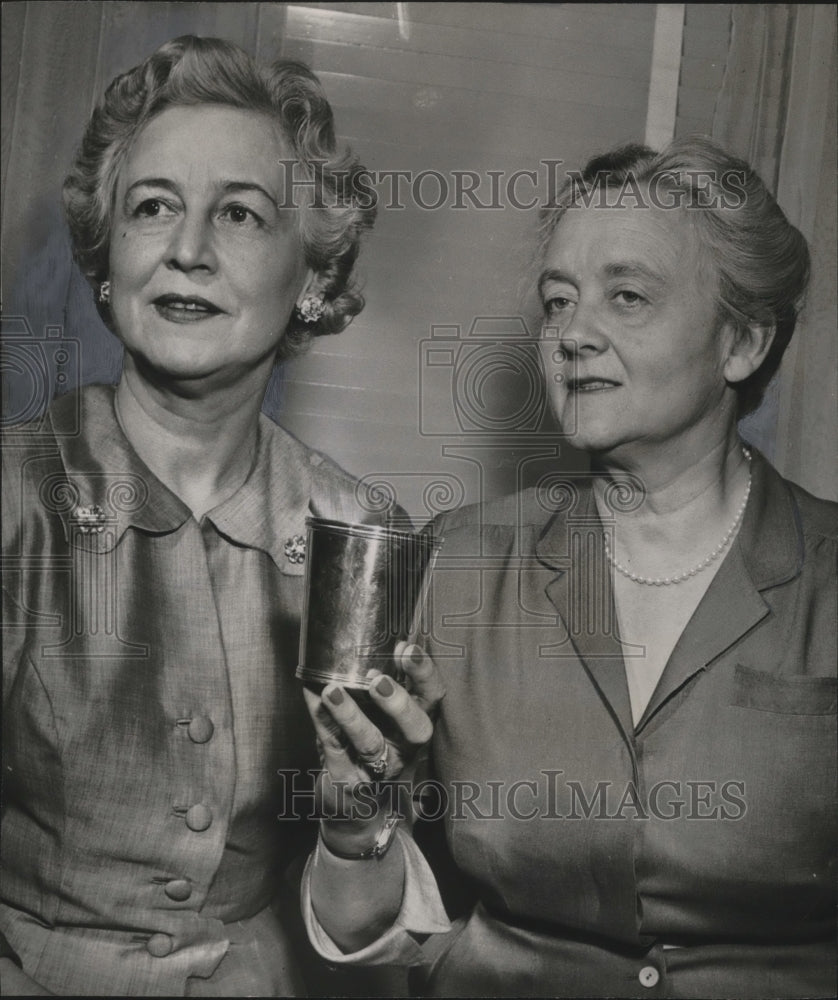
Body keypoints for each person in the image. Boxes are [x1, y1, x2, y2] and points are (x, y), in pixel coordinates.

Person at [300, 136, 837, 998]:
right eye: (558, 301)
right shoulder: (459, 565)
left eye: (627, 296)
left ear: (740, 343)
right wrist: (356, 820)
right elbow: (370, 929)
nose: (573, 335)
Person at [0, 35, 382, 996]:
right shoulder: (13, 495)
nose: (187, 250)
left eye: (240, 213)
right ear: (108, 256)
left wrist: (357, 828)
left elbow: (364, 930)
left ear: (313, 277)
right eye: (153, 207)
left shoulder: (355, 532)